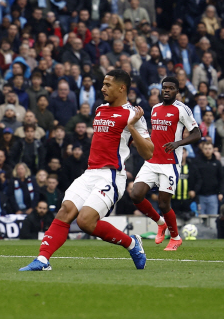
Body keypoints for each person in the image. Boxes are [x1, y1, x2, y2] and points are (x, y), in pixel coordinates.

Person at [20, 69, 153, 271]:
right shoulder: (99, 109)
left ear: (122, 87)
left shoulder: (133, 114)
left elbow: (149, 153)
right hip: (89, 173)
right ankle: (42, 260)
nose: (103, 88)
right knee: (65, 211)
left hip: (111, 175)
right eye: (103, 84)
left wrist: (132, 127)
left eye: (108, 84)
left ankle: (132, 244)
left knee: (85, 221)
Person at [131, 77, 201, 251]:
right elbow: (155, 134)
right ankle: (160, 223)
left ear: (177, 91)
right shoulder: (154, 109)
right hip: (152, 160)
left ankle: (175, 238)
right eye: (164, 88)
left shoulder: (182, 109)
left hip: (170, 163)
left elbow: (197, 133)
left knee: (163, 204)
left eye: (171, 88)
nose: (167, 91)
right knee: (135, 195)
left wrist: (178, 143)